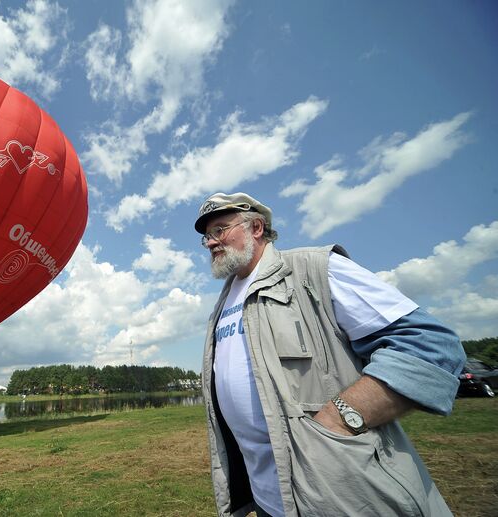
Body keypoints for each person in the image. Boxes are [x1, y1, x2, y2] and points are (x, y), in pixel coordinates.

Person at [195, 193, 465, 517]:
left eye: (220, 230)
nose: (210, 242)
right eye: (207, 236)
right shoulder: (223, 303)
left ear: (255, 227)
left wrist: (338, 419)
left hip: (339, 497)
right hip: (271, 501)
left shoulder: (314, 269)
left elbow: (429, 345)